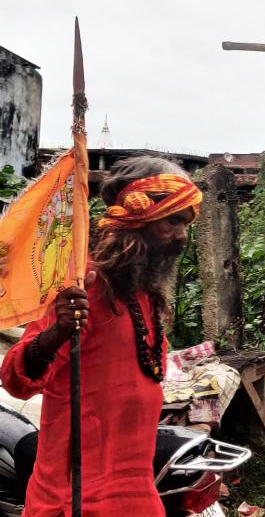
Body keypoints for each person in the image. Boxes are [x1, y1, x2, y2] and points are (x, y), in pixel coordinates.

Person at [0, 156, 202, 516]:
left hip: (134, 491)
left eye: (186, 224)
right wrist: (60, 329)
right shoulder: (83, 286)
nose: (182, 236)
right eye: (174, 221)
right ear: (137, 215)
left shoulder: (145, 292)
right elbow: (17, 379)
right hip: (75, 496)